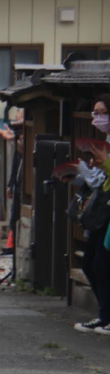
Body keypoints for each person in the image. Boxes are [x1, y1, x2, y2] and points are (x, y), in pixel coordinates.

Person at [74, 94, 110, 334]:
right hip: (104, 209)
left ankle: (106, 316)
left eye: (102, 112)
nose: (97, 118)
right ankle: (104, 315)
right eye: (94, 113)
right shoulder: (106, 139)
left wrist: (92, 170)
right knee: (92, 263)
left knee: (99, 264)